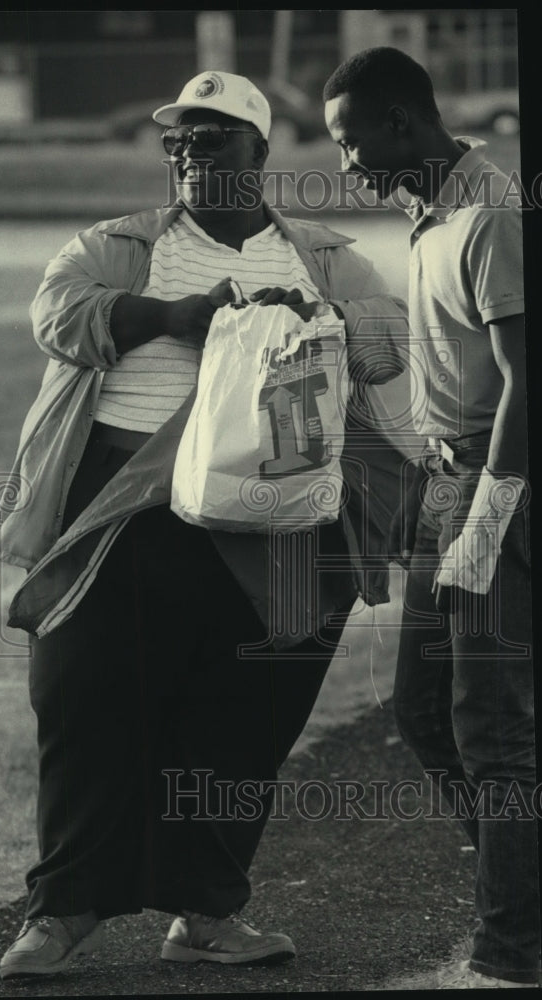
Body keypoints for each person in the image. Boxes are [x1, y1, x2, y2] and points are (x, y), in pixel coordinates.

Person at [0, 70, 408, 980]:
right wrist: (171, 316)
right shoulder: (121, 245)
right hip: (125, 502)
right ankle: (64, 909)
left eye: (213, 136)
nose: (189, 151)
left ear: (262, 151)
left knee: (246, 717)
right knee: (83, 701)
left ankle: (208, 913)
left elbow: (385, 344)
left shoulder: (324, 256)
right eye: (178, 138)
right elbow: (59, 314)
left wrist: (322, 325)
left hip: (279, 515)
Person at [323, 47, 538, 988]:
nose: (346, 166)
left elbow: (529, 382)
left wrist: (488, 517)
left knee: (491, 726)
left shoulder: (491, 213)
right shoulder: (427, 211)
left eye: (351, 142)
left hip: (497, 486)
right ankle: (520, 887)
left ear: (402, 124)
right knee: (422, 709)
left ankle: (515, 947)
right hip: (445, 486)